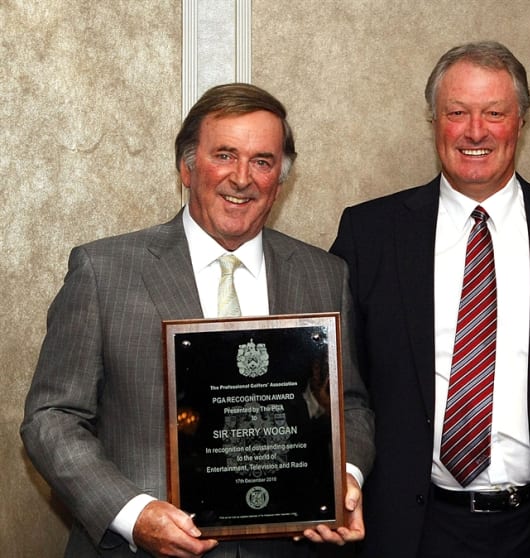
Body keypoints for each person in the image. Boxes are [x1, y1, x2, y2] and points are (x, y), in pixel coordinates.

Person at [21, 83, 375, 557]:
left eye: (262, 161)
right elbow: (52, 417)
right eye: (224, 155)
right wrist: (133, 513)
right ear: (187, 167)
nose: (242, 178)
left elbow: (350, 406)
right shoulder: (104, 271)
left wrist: (342, 479)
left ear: (281, 178)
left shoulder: (324, 274)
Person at [329, 41, 530, 558]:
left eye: (494, 113)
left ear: (521, 121)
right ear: (434, 120)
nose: (475, 131)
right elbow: (338, 382)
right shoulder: (369, 233)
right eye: (457, 113)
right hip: (410, 528)